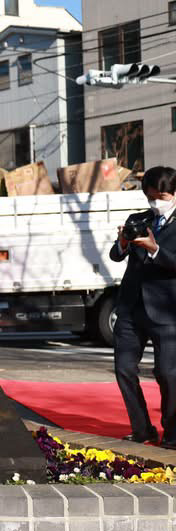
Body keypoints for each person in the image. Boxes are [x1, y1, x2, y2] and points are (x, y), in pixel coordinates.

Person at [110, 165, 176, 448]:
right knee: (124, 369)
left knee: (167, 373)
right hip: (130, 306)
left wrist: (155, 249)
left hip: (167, 309)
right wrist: (123, 241)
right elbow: (116, 255)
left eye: (160, 196)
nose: (155, 202)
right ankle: (142, 429)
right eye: (150, 196)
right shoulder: (139, 219)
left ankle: (172, 434)